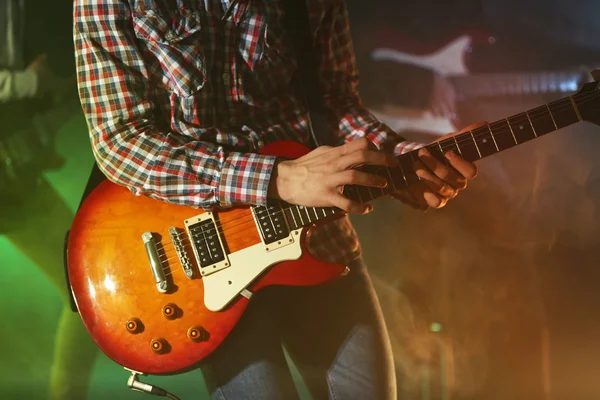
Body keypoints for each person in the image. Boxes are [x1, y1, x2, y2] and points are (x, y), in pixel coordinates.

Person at [73, 0, 478, 398]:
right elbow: (120, 140)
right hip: (196, 251)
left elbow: (333, 102)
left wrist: (395, 156)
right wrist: (276, 177)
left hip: (315, 233)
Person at [0, 0, 98, 398]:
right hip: (10, 179)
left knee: (81, 283)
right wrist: (31, 83)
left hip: (15, 171)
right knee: (82, 281)